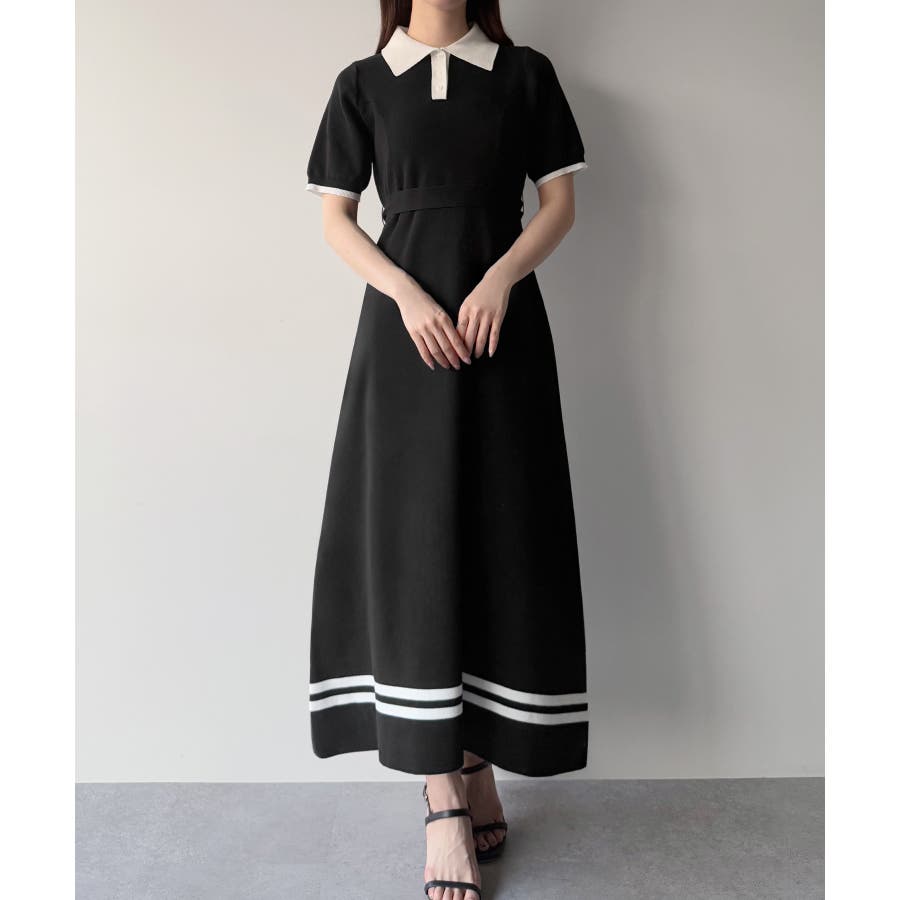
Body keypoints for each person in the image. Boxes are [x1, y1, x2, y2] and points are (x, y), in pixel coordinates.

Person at [306, 1, 589, 897]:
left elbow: (559, 203)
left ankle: (479, 763)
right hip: (406, 338)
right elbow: (337, 219)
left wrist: (501, 277)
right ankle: (441, 796)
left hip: (503, 331)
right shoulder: (363, 84)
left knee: (501, 535)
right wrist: (407, 296)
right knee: (415, 541)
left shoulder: (525, 74)